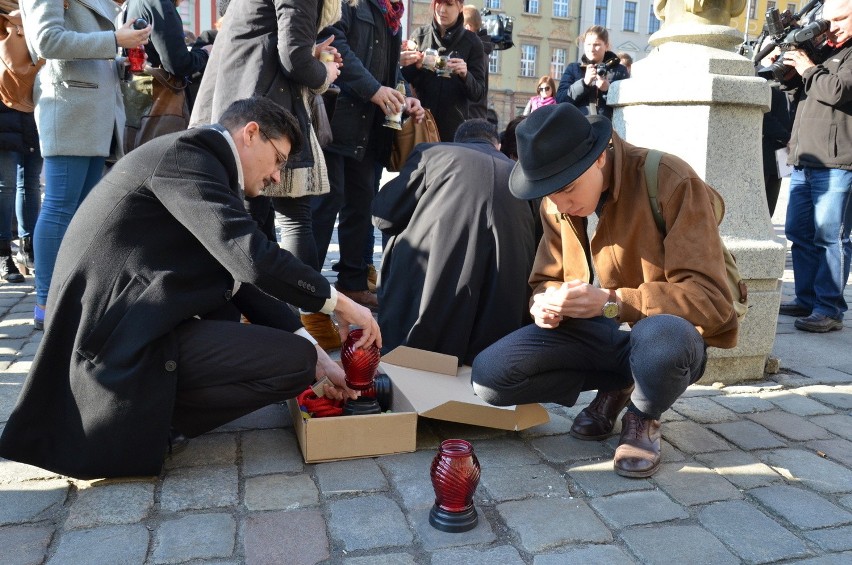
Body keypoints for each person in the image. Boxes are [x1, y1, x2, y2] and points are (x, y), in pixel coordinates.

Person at [0, 97, 380, 480]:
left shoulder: (201, 163)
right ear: (250, 134)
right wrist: (340, 305)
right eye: (279, 159)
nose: (277, 177)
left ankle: (154, 418)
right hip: (110, 350)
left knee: (300, 358)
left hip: (127, 329)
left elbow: (241, 277)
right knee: (292, 362)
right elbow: (252, 257)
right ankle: (140, 431)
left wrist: (322, 360)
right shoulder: (187, 159)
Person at [471, 104, 739, 478]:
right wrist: (543, 304)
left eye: (566, 188)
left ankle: (643, 415)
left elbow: (710, 300)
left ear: (599, 158)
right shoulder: (557, 201)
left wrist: (613, 303)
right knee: (491, 378)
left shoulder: (669, 179)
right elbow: (544, 280)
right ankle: (620, 382)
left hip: (665, 333)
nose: (560, 203)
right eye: (549, 192)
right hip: (600, 336)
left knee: (662, 340)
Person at [190, 0, 342, 348]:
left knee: (253, 216)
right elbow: (294, 58)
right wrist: (324, 73)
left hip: (238, 96)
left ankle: (260, 318)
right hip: (263, 104)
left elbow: (274, 38)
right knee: (293, 217)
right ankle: (305, 322)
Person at [20, 0, 151, 329]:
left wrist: (120, 57)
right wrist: (114, 41)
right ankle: (46, 303)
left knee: (83, 214)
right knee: (61, 208)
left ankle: (73, 298)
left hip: (91, 109)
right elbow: (46, 41)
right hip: (71, 106)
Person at [372, 119, 536, 364]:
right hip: (501, 321)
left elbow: (383, 216)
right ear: (498, 145)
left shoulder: (433, 154)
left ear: (456, 140)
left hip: (428, 307)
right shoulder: (522, 175)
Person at [311, 0, 424, 314]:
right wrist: (374, 90)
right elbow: (337, 46)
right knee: (325, 204)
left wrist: (408, 98)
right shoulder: (349, 4)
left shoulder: (392, 14)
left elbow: (390, 70)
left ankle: (353, 283)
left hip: (371, 128)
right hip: (337, 118)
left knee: (362, 206)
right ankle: (306, 291)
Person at [776, 0, 852, 333]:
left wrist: (808, 68)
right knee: (798, 232)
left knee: (829, 237)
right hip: (804, 157)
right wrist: (789, 66)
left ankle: (829, 308)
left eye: (841, 18)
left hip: (837, 160)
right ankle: (807, 299)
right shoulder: (822, 51)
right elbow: (797, 89)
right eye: (828, 20)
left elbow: (838, 91)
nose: (832, 26)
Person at [400, 0, 488, 141]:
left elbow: (478, 94)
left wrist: (465, 75)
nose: (442, 9)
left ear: (460, 7)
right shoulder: (420, 36)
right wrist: (414, 66)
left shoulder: (472, 42)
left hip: (453, 131)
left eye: (449, 4)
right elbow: (402, 81)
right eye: (438, 3)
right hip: (420, 125)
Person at [124, 0, 211, 113]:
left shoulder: (132, 3)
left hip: (137, 94)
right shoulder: (160, 3)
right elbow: (180, 64)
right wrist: (205, 52)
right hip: (161, 104)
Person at [0, 105, 41, 282]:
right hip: (5, 110)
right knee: (6, 185)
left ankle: (29, 250)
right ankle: (4, 254)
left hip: (34, 110)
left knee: (31, 184)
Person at [555, 25, 629, 118]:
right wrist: (584, 83)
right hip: (578, 127)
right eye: (588, 44)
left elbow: (627, 103)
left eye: (596, 44)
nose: (591, 49)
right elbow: (560, 99)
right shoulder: (573, 68)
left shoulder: (619, 70)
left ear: (606, 46)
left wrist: (608, 90)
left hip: (607, 128)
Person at [462, 4, 492, 119]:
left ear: (468, 28)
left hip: (470, 118)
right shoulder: (481, 48)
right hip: (475, 116)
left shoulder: (477, 51)